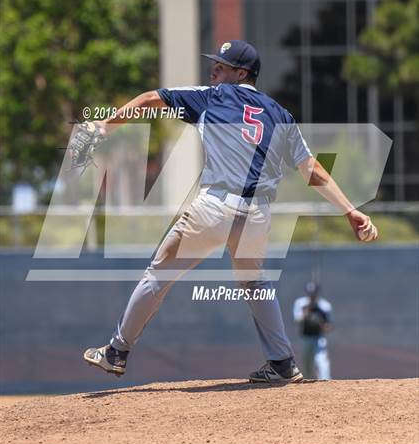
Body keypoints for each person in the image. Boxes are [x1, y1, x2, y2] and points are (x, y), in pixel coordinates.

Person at [77, 40, 377, 384]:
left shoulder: (213, 96)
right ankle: (281, 362)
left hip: (214, 207)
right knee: (254, 281)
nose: (214, 69)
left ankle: (117, 351)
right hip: (258, 215)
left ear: (241, 73)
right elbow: (313, 170)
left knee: (158, 275)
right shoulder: (281, 114)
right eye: (215, 64)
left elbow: (149, 100)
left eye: (221, 65)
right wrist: (351, 210)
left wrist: (103, 127)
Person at [293, 282, 333, 380]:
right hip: (306, 337)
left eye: (314, 293)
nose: (312, 296)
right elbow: (297, 319)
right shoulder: (301, 304)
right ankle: (309, 384)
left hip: (319, 337)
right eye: (310, 293)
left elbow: (329, 325)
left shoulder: (325, 306)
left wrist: (322, 325)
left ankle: (325, 380)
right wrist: (306, 313)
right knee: (307, 363)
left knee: (322, 360)